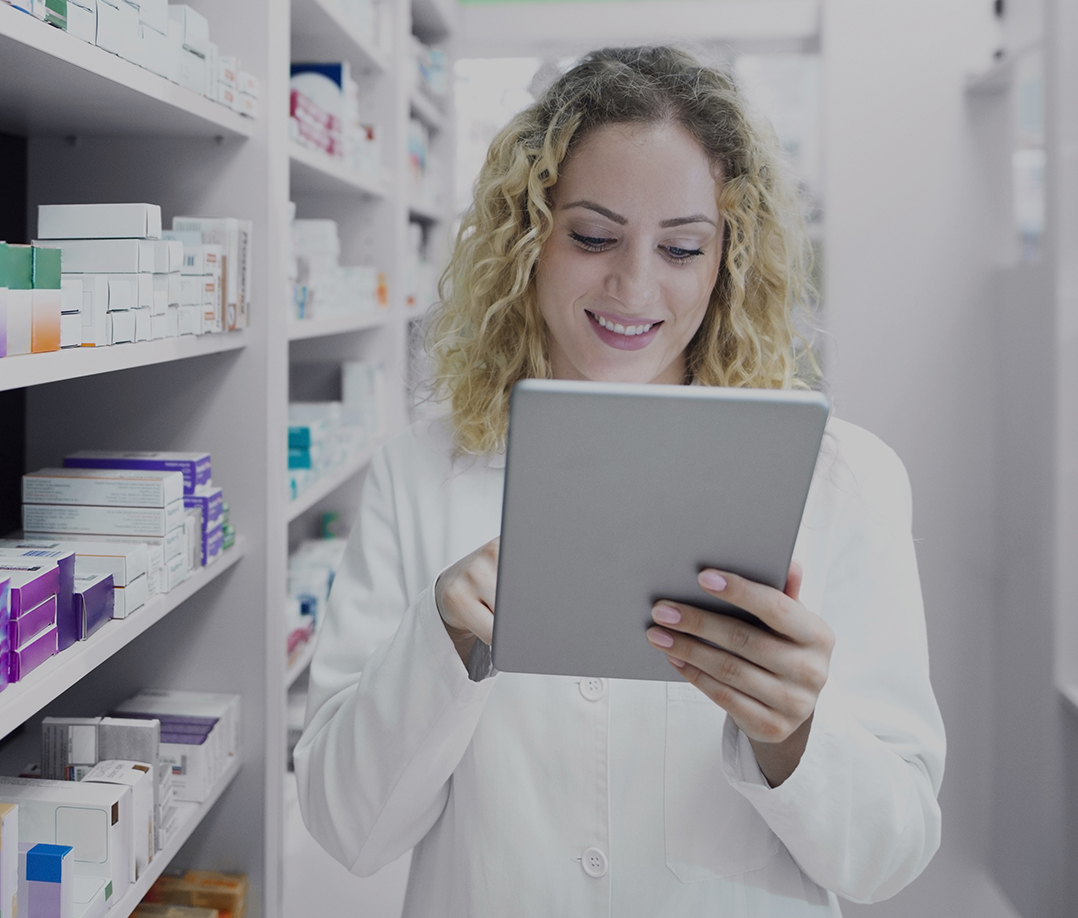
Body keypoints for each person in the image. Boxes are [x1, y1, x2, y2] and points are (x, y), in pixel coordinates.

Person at [294, 46, 944, 915]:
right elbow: (346, 829)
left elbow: (889, 854)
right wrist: (441, 645)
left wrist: (793, 735)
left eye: (682, 248)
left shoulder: (845, 481)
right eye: (594, 236)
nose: (634, 285)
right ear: (528, 235)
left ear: (728, 263)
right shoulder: (420, 472)